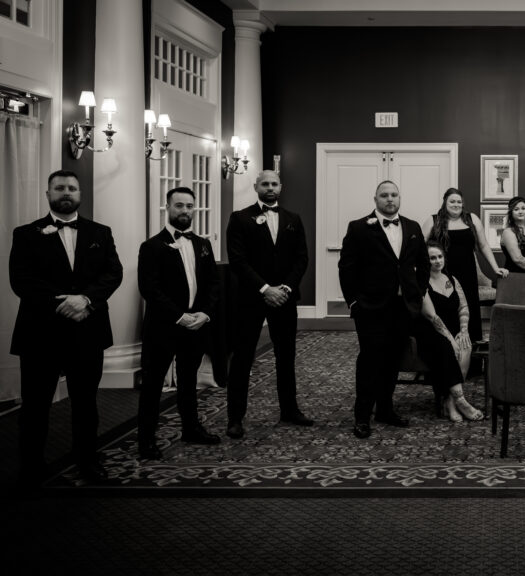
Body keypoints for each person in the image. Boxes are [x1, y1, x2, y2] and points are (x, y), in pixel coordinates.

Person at [10, 170, 123, 486]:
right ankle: (32, 467)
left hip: (87, 329)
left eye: (72, 188)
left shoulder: (100, 232)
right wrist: (62, 303)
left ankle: (87, 461)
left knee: (85, 403)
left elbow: (113, 273)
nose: (66, 192)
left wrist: (85, 300)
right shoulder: (26, 233)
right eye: (59, 187)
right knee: (35, 406)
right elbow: (21, 280)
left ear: (80, 194)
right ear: (48, 194)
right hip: (40, 332)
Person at [225, 170, 313, 439]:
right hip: (251, 298)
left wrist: (285, 288)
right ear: (256, 187)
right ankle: (235, 418)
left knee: (286, 356)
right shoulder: (240, 218)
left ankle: (290, 409)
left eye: (274, 183)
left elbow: (301, 258)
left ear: (281, 187)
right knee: (243, 357)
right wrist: (264, 289)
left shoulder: (293, 219)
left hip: (284, 297)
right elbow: (238, 260)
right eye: (265, 184)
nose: (270, 187)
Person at [339, 180, 430, 439]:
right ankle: (362, 416)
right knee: (370, 361)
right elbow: (347, 268)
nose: (390, 199)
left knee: (392, 361)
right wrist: (353, 302)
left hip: (402, 308)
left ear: (399, 198)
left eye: (394, 194)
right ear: (375, 199)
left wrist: (418, 295)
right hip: (370, 308)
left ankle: (385, 410)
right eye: (384, 195)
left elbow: (423, 264)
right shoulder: (358, 228)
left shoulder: (412, 227)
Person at [137, 187, 222, 459]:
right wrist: (179, 316)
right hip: (163, 326)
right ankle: (146, 439)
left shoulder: (203, 244)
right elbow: (149, 288)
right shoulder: (151, 246)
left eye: (189, 206)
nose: (185, 211)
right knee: (152, 384)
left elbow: (213, 283)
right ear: (168, 208)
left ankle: (191, 428)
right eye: (179, 205)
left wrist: (204, 313)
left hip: (196, 325)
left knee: (188, 380)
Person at [423, 188, 509, 343]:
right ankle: (446, 343)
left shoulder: (472, 219)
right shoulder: (433, 220)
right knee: (446, 306)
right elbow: (420, 247)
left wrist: (495, 267)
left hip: (467, 272)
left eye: (459, 201)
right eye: (452, 201)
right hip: (442, 272)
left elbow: (483, 245)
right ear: (445, 202)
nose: (456, 204)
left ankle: (470, 345)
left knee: (468, 307)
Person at [415, 241, 485, 422]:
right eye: (432, 258)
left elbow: (463, 307)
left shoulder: (451, 279)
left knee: (465, 345)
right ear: (425, 260)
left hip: (453, 327)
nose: (437, 261)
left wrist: (464, 331)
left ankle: (450, 402)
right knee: (447, 348)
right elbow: (431, 316)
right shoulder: (420, 280)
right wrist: (451, 340)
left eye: (440, 257)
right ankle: (461, 400)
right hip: (429, 330)